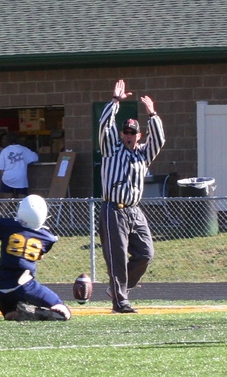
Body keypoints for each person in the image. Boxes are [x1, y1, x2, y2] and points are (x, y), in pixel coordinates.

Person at [99, 79, 164, 314]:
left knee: (146, 253)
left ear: (139, 135)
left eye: (132, 133)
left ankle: (120, 288)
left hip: (134, 210)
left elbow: (160, 140)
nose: (128, 135)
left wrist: (152, 114)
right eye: (125, 132)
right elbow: (104, 126)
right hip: (113, 209)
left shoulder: (143, 154)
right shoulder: (111, 149)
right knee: (116, 257)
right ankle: (120, 301)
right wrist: (115, 101)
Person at [0, 195, 71, 321]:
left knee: (10, 316)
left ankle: (30, 313)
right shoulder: (47, 237)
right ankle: (40, 313)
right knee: (64, 311)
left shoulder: (7, 225)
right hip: (25, 285)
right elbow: (39, 256)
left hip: (3, 287)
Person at [0, 132, 38, 199]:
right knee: (22, 200)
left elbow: (0, 167)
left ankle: (2, 210)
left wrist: (3, 177)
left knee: (6, 201)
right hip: (21, 178)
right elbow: (35, 157)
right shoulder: (23, 149)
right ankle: (22, 209)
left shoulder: (4, 151)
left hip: (8, 178)